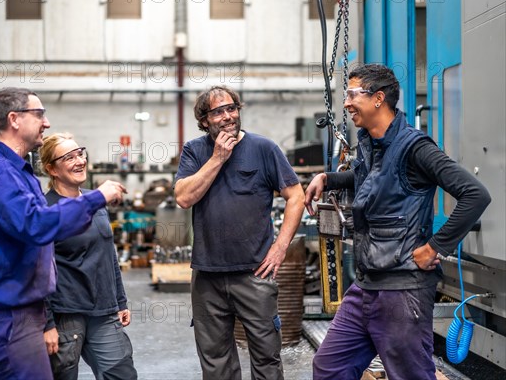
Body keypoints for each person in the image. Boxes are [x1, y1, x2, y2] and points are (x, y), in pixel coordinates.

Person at [304, 64, 491, 380]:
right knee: (330, 367)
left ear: (378, 98)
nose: (346, 103)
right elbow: (370, 178)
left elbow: (475, 194)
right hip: (366, 285)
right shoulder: (372, 145)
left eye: (352, 94)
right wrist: (329, 178)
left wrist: (435, 247)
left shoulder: (415, 147)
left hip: (403, 291)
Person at [0, 88, 127, 379]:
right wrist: (96, 198)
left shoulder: (18, 171)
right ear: (14, 119)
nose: (46, 123)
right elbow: (36, 224)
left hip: (22, 309)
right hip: (7, 313)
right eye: (39, 115)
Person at [174, 85, 305, 380]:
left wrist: (281, 246)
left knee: (266, 356)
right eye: (218, 112)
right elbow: (183, 197)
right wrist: (218, 158)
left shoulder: (263, 148)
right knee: (216, 361)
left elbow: (296, 195)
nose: (228, 116)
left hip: (255, 273)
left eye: (232, 108)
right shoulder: (195, 151)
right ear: (204, 120)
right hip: (207, 275)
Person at [39, 133, 138, 380]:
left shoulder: (97, 202)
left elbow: (108, 253)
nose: (79, 161)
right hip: (66, 313)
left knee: (122, 375)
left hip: (103, 311)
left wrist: (120, 300)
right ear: (51, 168)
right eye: (69, 157)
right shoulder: (46, 209)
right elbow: (37, 269)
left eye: (80, 153)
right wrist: (46, 323)